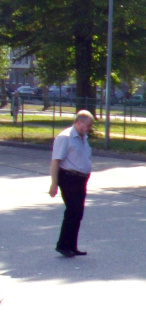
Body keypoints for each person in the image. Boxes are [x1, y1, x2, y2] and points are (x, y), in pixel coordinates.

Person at [48, 109, 95, 256]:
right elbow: (56, 161)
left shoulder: (83, 137)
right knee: (72, 211)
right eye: (88, 125)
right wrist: (54, 183)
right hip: (69, 178)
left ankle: (72, 246)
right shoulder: (65, 137)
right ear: (79, 122)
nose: (89, 128)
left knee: (78, 213)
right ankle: (63, 245)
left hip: (81, 179)